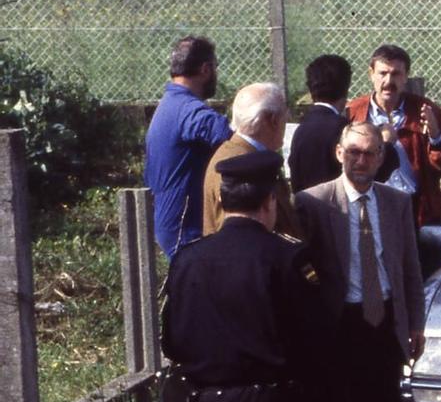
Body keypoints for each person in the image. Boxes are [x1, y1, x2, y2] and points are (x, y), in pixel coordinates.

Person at [162, 147, 347, 402]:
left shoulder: (188, 260)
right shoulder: (289, 258)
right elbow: (317, 340)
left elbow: (172, 340)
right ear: (269, 203)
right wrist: (337, 401)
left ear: (221, 202)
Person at [295, 123, 424, 402]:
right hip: (341, 326)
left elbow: (408, 268)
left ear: (381, 158)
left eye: (369, 154)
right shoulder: (313, 204)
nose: (361, 160)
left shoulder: (396, 202)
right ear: (338, 152)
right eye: (353, 152)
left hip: (383, 321)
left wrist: (415, 324)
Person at [345, 44, 441, 227]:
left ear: (406, 76)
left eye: (396, 74)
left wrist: (436, 137)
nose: (388, 81)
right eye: (383, 73)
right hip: (368, 208)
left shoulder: (425, 112)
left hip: (416, 212)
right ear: (371, 74)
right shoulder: (354, 113)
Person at [144, 35, 234, 259]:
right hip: (188, 231)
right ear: (205, 69)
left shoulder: (170, 104)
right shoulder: (188, 110)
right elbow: (233, 142)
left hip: (173, 226)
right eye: (215, 67)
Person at [202, 83, 305, 241]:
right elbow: (237, 235)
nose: (288, 118)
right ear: (273, 120)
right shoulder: (238, 165)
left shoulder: (247, 154)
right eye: (285, 112)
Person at [287, 55, 352, 193]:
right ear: (346, 88)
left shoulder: (302, 129)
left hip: (304, 206)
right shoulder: (343, 129)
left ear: (311, 90)